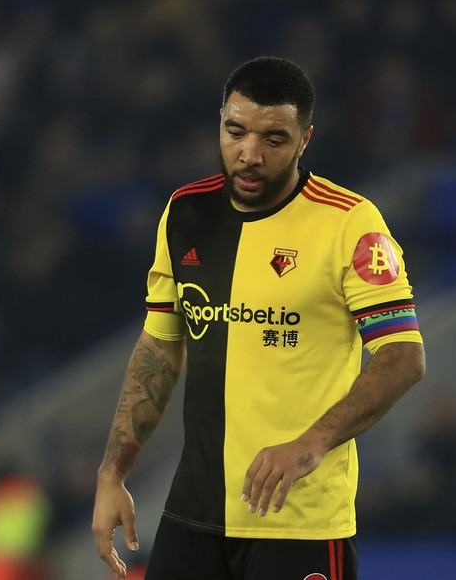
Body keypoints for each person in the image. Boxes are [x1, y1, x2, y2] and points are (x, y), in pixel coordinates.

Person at [91, 56, 426, 580]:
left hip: (300, 525)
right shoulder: (186, 215)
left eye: (273, 139)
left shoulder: (349, 222)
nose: (248, 154)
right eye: (235, 132)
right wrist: (113, 473)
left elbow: (403, 358)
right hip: (194, 518)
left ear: (305, 139)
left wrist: (310, 445)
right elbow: (160, 348)